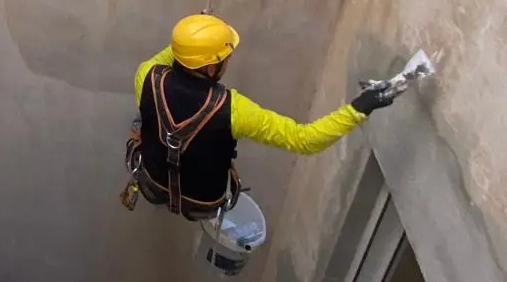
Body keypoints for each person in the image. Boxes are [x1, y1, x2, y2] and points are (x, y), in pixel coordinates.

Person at [122, 13, 403, 218]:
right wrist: (358, 108)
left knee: (143, 119)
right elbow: (304, 140)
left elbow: (174, 53)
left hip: (152, 180)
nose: (227, 62)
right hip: (202, 203)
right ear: (210, 68)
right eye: (223, 58)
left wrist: (196, 37)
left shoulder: (145, 75)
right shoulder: (233, 109)